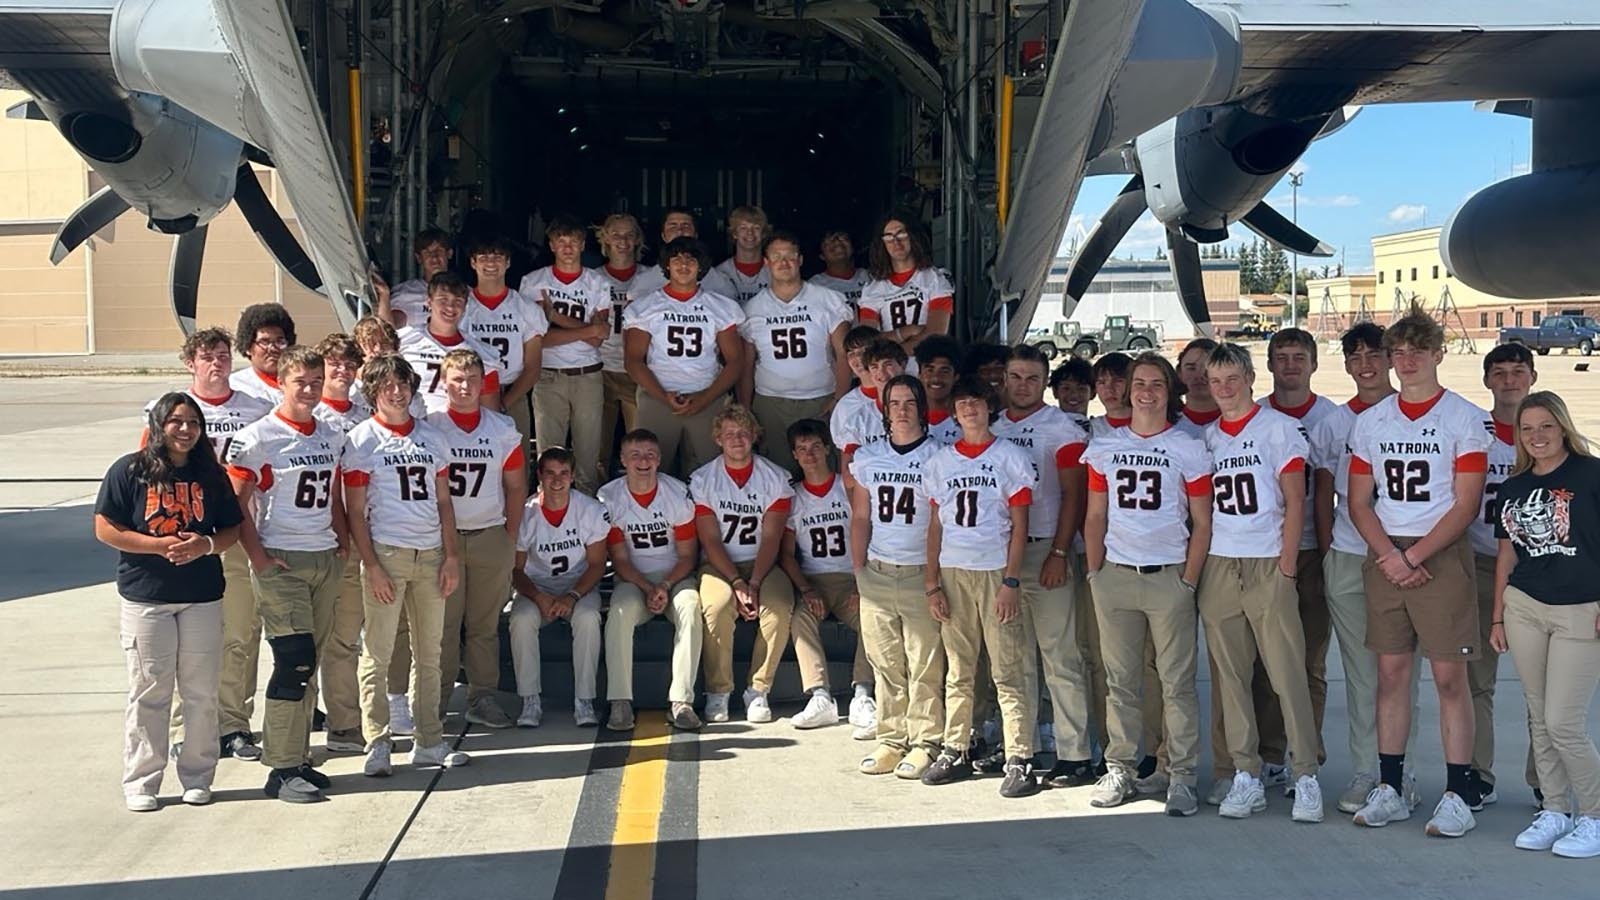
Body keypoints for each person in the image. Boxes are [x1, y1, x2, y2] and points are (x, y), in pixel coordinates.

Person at [1347, 304, 1490, 836]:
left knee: (1450, 676)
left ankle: (1457, 789)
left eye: (1417, 350)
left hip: (1439, 553)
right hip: (1387, 550)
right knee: (1391, 674)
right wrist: (1390, 554)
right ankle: (1390, 785)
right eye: (1398, 352)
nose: (1406, 361)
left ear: (1438, 353)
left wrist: (1413, 556)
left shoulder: (1462, 417)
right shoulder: (1371, 421)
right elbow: (1359, 499)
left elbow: (1466, 502)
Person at [96, 393, 243, 811]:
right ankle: (142, 780)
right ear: (160, 425)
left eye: (193, 423)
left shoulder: (211, 474)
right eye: (176, 421)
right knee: (150, 691)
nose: (185, 430)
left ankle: (198, 775)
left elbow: (232, 529)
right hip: (147, 597)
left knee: (201, 691)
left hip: (201, 596)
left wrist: (206, 544)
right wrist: (157, 546)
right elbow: (106, 528)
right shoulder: (130, 470)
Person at [1197, 342, 1324, 822]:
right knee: (1230, 678)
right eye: (1216, 381)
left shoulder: (1279, 429)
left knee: (1286, 673)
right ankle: (1245, 773)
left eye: (1232, 379)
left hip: (1268, 560)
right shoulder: (1208, 437)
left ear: (1250, 379)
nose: (1225, 389)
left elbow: (1297, 502)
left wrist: (1287, 566)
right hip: (1221, 563)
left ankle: (1305, 771)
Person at [1082, 352, 1211, 817]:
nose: (1147, 392)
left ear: (1170, 390)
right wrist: (1096, 573)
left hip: (1168, 575)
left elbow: (1202, 521)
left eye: (1157, 384)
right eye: (1140, 383)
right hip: (1116, 574)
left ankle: (1181, 773)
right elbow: (1095, 515)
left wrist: (1189, 580)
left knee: (1176, 683)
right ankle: (1121, 766)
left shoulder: (1189, 447)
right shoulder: (1104, 446)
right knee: (1122, 682)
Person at [1308, 322, 1422, 814]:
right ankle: (1364, 770)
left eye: (1375, 354)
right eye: (1355, 357)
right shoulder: (1335, 422)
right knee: (1360, 672)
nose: (1366, 365)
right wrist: (1332, 548)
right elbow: (1324, 492)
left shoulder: (1418, 413)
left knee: (1400, 672)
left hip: (1406, 557)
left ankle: (1402, 771)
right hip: (1353, 554)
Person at [226, 345, 347, 803]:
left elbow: (334, 494)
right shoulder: (259, 436)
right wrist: (257, 557)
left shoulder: (330, 434)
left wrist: (342, 541)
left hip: (322, 555)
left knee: (309, 662)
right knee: (292, 660)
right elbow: (237, 503)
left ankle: (297, 757)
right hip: (281, 557)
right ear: (281, 382)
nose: (310, 390)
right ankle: (278, 767)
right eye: (301, 382)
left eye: (316, 382)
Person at [341, 354, 469, 775]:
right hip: (388, 553)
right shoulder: (361, 440)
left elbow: (445, 502)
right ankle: (376, 741)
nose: (396, 392)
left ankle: (429, 739)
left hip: (430, 554)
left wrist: (451, 555)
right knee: (377, 652)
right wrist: (372, 565)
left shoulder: (432, 439)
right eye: (386, 386)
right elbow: (355, 512)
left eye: (402, 384)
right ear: (373, 392)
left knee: (429, 653)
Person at [1491, 391, 1600, 859]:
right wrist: (1497, 613)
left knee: (1564, 722)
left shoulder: (1591, 474)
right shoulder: (1513, 487)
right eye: (1527, 429)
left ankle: (1594, 816)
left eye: (1545, 426)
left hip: (1581, 609)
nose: (1537, 437)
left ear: (1562, 426)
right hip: (1524, 607)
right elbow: (1507, 553)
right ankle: (1555, 809)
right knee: (1539, 719)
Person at [155, 328, 272, 763]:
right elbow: (147, 473)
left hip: (235, 530)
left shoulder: (257, 408)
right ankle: (190, 727)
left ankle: (235, 724)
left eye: (222, 355)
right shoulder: (171, 411)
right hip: (186, 536)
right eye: (206, 356)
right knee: (192, 640)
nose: (216, 362)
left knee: (241, 633)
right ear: (190, 362)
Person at [920, 376, 1037, 796]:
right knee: (959, 667)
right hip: (953, 571)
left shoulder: (1009, 457)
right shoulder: (941, 461)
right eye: (962, 402)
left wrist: (1011, 579)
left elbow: (1021, 525)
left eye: (976, 402)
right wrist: (932, 581)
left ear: (989, 408)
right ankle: (956, 747)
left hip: (993, 571)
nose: (969, 409)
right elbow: (935, 525)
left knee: (1007, 668)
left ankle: (1019, 755)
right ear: (954, 412)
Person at [993, 345, 1095, 788]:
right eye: (1016, 377)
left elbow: (1074, 495)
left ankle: (1074, 754)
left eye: (1032, 378)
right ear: (1005, 379)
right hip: (1001, 555)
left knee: (1060, 656)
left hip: (1045, 548)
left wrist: (1058, 552)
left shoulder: (1061, 428)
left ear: (1044, 382)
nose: (1023, 385)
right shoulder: (991, 426)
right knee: (1014, 659)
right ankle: (1023, 747)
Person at [1245, 328, 1339, 793]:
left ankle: (1309, 756)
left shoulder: (1331, 418)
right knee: (1265, 663)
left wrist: (1326, 554)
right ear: (1269, 366)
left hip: (1312, 550)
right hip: (1264, 552)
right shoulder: (1255, 416)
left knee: (1309, 662)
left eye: (1298, 357)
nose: (1289, 365)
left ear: (1314, 363)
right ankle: (1270, 753)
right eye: (1280, 357)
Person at [850, 375, 947, 778]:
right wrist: (859, 570)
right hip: (878, 570)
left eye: (910, 403)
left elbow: (941, 522)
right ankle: (891, 738)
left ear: (922, 407)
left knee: (924, 663)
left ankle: (926, 740)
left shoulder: (940, 456)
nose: (902, 410)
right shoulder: (869, 459)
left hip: (920, 573)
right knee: (886, 663)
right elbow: (859, 517)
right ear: (884, 409)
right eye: (895, 403)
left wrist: (934, 577)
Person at [427, 349, 526, 728]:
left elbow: (516, 487)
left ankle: (482, 696)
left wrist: (509, 537)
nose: (465, 386)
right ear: (444, 382)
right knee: (444, 627)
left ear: (483, 382)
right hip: (443, 541)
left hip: (489, 534)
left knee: (483, 626)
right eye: (457, 379)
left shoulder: (501, 430)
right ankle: (434, 703)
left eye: (471, 379)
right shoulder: (430, 425)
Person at [690, 405, 797, 723]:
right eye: (729, 434)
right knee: (717, 607)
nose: (736, 439)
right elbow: (710, 540)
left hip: (762, 563)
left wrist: (754, 582)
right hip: (719, 565)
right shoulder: (703, 479)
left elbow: (771, 538)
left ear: (754, 436)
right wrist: (737, 583)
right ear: (717, 439)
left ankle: (758, 689)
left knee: (778, 605)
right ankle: (718, 690)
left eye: (743, 432)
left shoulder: (775, 478)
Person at [1470, 342, 1539, 803]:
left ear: (1532, 377)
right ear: (1487, 380)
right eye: (1500, 372)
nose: (1510, 380)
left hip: (1538, 567)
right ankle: (1479, 773)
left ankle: (1543, 780)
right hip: (1478, 562)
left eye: (1518, 371)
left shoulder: (1547, 431)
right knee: (1478, 678)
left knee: (1542, 685)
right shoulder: (1471, 429)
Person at [599, 429, 704, 731]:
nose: (643, 461)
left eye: (649, 455)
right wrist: (648, 587)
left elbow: (687, 556)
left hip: (675, 577)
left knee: (690, 606)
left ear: (659, 459)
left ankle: (682, 700)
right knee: (619, 611)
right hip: (634, 579)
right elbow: (619, 559)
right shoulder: (610, 497)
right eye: (635, 455)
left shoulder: (676, 494)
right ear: (622, 460)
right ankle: (620, 700)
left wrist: (665, 586)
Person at [780, 420, 875, 732]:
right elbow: (787, 554)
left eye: (816, 447)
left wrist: (864, 580)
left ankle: (862, 694)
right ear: (794, 455)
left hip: (852, 576)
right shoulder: (793, 497)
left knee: (873, 618)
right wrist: (806, 589)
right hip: (815, 579)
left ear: (827, 450)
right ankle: (820, 696)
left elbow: (869, 531)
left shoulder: (846, 487)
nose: (810, 454)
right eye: (802, 449)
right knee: (799, 618)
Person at [623, 236, 745, 478]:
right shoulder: (645, 306)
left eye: (690, 259)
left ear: (701, 266)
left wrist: (705, 397)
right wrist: (662, 395)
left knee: (716, 472)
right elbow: (633, 360)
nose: (683, 264)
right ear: (666, 265)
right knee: (647, 469)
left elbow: (736, 361)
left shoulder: (720, 306)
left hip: (707, 395)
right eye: (676, 259)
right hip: (657, 396)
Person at [509, 448, 610, 727]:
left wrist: (572, 595)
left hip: (578, 585)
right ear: (539, 475)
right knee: (520, 619)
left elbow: (597, 564)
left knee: (589, 618)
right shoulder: (526, 513)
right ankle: (530, 700)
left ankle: (584, 699)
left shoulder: (590, 510)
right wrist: (539, 597)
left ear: (573, 476)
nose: (557, 480)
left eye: (564, 473)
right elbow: (515, 570)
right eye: (550, 473)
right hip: (536, 586)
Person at [738, 231, 853, 471]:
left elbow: (844, 354)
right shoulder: (753, 308)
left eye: (790, 256)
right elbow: (746, 365)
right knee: (779, 473)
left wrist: (840, 399)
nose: (784, 262)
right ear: (766, 263)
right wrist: (746, 409)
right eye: (777, 257)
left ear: (800, 260)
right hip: (771, 404)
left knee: (823, 469)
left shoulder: (828, 300)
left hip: (820, 399)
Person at [311, 334, 375, 755]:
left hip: (364, 536)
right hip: (318, 539)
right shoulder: (309, 415)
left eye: (349, 365)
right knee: (312, 636)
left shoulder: (367, 416)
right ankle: (302, 722)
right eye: (333, 365)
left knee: (346, 636)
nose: (341, 372)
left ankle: (344, 722)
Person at [520, 218, 612, 493]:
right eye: (561, 242)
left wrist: (555, 316)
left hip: (588, 374)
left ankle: (586, 522)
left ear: (583, 245)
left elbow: (599, 338)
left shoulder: (597, 281)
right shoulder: (534, 281)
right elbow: (539, 339)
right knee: (549, 455)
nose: (568, 247)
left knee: (587, 455)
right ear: (551, 246)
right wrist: (589, 328)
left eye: (573, 241)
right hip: (548, 374)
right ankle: (547, 514)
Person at [595, 214, 667, 483]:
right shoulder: (592, 278)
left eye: (629, 235)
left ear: (638, 239)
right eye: (616, 234)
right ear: (605, 238)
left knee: (640, 447)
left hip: (638, 369)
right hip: (599, 366)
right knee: (597, 447)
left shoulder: (654, 277)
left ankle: (640, 495)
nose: (623, 241)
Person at [464, 237, 548, 458]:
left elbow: (533, 366)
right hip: (469, 394)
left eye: (498, 257)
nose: (491, 263)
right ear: (473, 263)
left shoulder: (526, 308)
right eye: (483, 257)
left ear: (508, 263)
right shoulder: (462, 305)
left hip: (512, 392)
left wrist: (504, 402)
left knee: (515, 462)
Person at [397, 272, 505, 414]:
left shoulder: (484, 355)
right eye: (443, 300)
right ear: (429, 302)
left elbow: (490, 412)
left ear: (466, 306)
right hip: (413, 429)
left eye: (458, 301)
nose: (450, 307)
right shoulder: (402, 341)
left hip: (457, 432)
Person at [858, 214, 952, 357]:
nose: (896, 242)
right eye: (889, 237)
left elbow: (936, 334)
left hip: (925, 368)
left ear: (913, 237)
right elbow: (867, 342)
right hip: (889, 372)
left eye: (901, 234)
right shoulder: (872, 289)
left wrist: (890, 349)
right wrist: (907, 331)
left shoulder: (935, 279)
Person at [833, 338, 907, 478]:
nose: (881, 372)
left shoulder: (920, 410)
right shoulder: (858, 420)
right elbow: (849, 477)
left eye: (888, 364)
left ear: (902, 365)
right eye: (874, 367)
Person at [230, 303, 296, 405]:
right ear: (248, 347)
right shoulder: (235, 386)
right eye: (264, 342)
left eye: (280, 341)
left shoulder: (303, 381)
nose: (273, 348)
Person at [389, 228, 454, 328]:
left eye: (439, 250)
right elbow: (387, 329)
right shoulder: (403, 292)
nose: (434, 257)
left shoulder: (465, 294)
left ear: (449, 253)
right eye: (427, 252)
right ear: (419, 258)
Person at [707, 206, 771, 302]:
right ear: (734, 233)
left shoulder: (775, 270)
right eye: (743, 228)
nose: (750, 232)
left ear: (763, 233)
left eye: (756, 228)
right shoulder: (720, 272)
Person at [915, 335, 964, 444]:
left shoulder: (968, 419)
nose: (936, 377)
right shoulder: (908, 417)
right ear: (919, 375)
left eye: (944, 371)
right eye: (929, 370)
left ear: (956, 377)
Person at [808, 230, 870, 310]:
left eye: (843, 238)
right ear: (822, 255)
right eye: (829, 241)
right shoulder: (814, 286)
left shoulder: (871, 277)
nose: (837, 242)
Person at [1173, 338, 1221, 437]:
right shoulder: (1166, 424)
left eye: (1208, 369)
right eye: (1191, 368)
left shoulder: (1240, 423)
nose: (1199, 375)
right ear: (1179, 373)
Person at [1089, 353, 1133, 438]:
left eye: (1118, 381)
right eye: (1101, 382)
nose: (1109, 389)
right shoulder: (1087, 431)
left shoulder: (1153, 427)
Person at [1051, 356, 1094, 432]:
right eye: (1066, 388)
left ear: (1093, 393)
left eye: (1081, 388)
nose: (1074, 394)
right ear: (1055, 392)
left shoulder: (1101, 431)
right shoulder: (1044, 430)